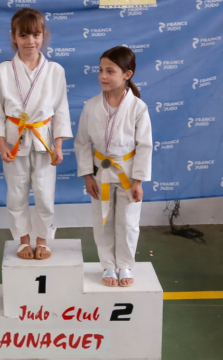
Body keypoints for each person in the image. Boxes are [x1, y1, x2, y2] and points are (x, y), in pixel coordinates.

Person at [0, 8, 72, 260]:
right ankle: (23, 240)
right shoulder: (3, 70)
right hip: (14, 140)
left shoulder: (55, 70)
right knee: (16, 194)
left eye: (35, 35)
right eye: (23, 35)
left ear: (44, 35)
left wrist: (59, 145)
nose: (30, 41)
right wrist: (1, 144)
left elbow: (61, 110)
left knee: (45, 194)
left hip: (44, 141)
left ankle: (43, 240)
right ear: (13, 37)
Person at [74, 46, 152, 287]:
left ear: (127, 74)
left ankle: (125, 265)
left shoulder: (138, 107)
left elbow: (144, 146)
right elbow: (82, 142)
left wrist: (138, 180)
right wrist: (87, 175)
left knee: (128, 223)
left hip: (127, 174)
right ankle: (108, 264)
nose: (103, 76)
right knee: (103, 221)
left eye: (110, 71)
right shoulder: (91, 106)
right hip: (101, 173)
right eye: (100, 70)